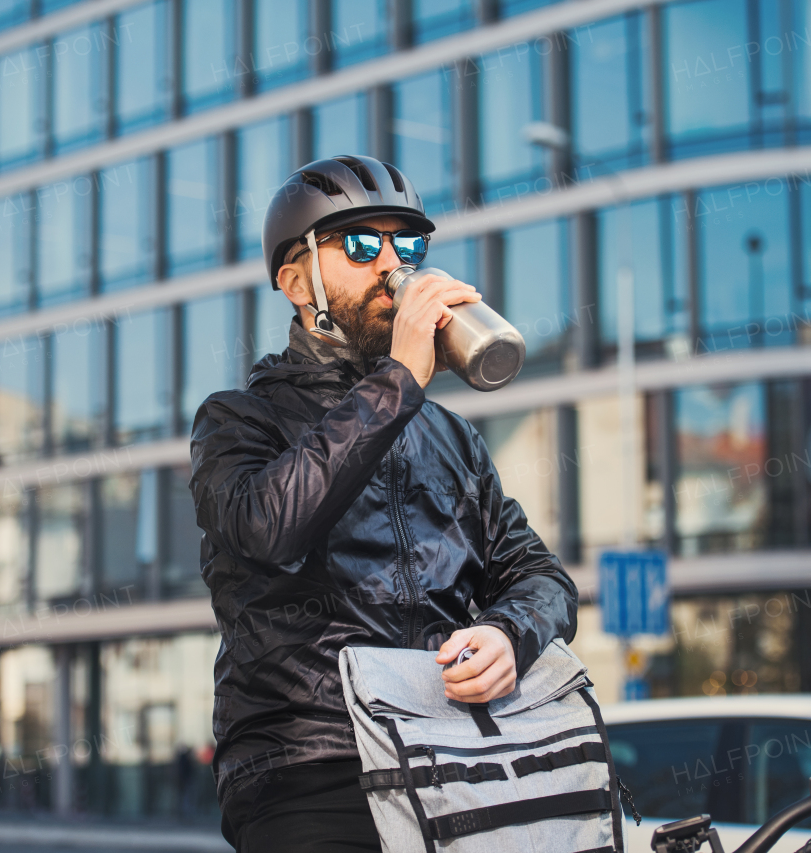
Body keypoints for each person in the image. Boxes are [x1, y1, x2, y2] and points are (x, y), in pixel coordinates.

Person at [189, 155, 578, 853]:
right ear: (295, 277)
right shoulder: (238, 420)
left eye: (408, 244)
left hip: (452, 758)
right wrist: (398, 381)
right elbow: (269, 525)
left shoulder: (451, 436)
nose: (391, 265)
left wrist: (509, 633)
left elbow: (542, 576)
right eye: (362, 245)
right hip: (310, 768)